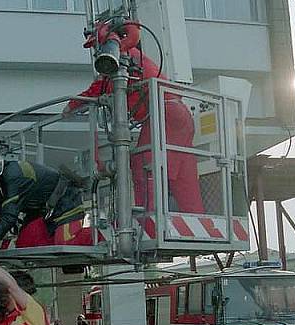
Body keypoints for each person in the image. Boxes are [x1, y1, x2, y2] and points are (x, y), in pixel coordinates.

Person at [62, 21, 204, 216]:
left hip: (163, 115)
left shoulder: (121, 56)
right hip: (179, 116)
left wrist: (72, 105)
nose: (95, 50)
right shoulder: (133, 56)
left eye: (96, 44)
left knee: (143, 163)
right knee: (183, 172)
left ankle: (150, 216)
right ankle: (197, 216)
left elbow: (101, 88)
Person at [0, 148, 90, 254]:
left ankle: (99, 237)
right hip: (44, 210)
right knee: (25, 244)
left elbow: (9, 217)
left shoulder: (13, 175)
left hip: (66, 201)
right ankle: (54, 239)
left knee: (66, 244)